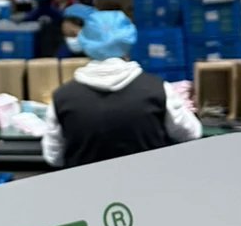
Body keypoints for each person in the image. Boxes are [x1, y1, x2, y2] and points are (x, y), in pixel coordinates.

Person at [42, 9, 201, 169]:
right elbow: (191, 134)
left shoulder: (61, 98)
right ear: (128, 43)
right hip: (147, 181)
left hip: (87, 184)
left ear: (86, 43)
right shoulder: (158, 90)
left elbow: (53, 157)